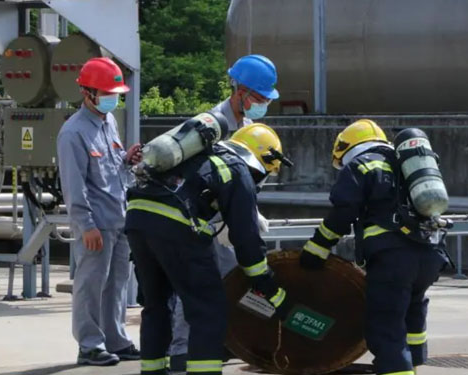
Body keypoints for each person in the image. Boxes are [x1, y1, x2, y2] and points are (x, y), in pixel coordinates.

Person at [125, 123, 293, 375]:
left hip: (137, 219)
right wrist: (265, 282)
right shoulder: (237, 169)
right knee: (208, 311)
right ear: (262, 159)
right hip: (175, 227)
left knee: (156, 306)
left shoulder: (199, 156)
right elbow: (246, 238)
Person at [298, 119, 448, 375]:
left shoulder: (361, 164)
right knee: (411, 312)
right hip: (430, 254)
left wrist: (317, 248)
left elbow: (344, 211)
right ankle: (414, 363)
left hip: (393, 259)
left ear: (347, 148)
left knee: (386, 329)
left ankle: (398, 370)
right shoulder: (407, 165)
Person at [167, 54, 280, 371]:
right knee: (194, 286)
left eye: (265, 99)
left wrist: (248, 215)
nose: (262, 104)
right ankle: (181, 349)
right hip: (198, 220)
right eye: (258, 98)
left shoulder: (249, 126)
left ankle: (220, 341)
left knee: (229, 284)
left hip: (224, 221)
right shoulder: (210, 126)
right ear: (240, 91)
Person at [57, 57, 142, 366]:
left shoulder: (109, 122)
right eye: (107, 93)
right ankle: (90, 345)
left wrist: (127, 160)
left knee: (118, 283)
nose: (112, 98)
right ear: (87, 93)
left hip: (119, 217)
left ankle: (116, 340)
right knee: (91, 284)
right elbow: (74, 185)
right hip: (96, 224)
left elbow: (110, 168)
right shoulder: (73, 133)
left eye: (115, 93)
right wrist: (85, 225)